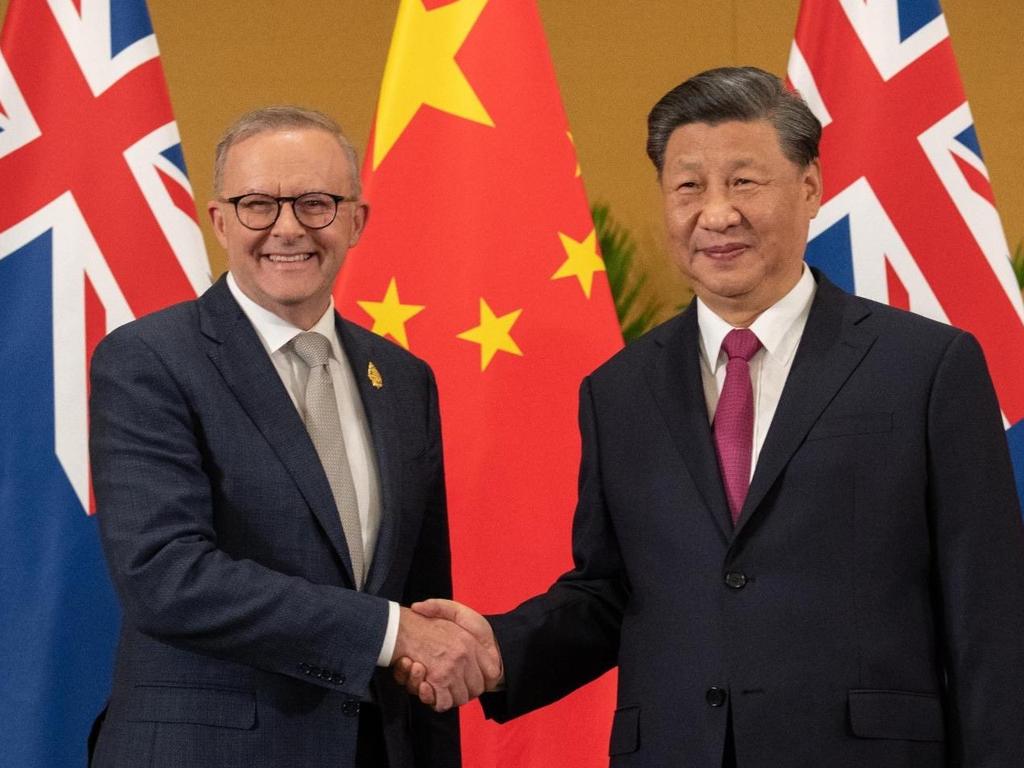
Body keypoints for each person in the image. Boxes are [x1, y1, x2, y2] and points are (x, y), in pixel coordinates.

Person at [397, 67, 1024, 766]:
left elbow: (990, 614)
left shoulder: (926, 367)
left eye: (744, 182)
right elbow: (613, 592)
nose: (716, 214)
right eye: (688, 186)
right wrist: (499, 647)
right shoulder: (619, 390)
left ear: (810, 188)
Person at [88, 106, 499, 768]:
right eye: (258, 205)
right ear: (220, 220)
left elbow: (418, 594)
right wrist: (391, 634)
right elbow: (165, 575)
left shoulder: (402, 378)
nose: (288, 228)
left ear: (356, 221)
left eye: (316, 203)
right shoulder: (148, 361)